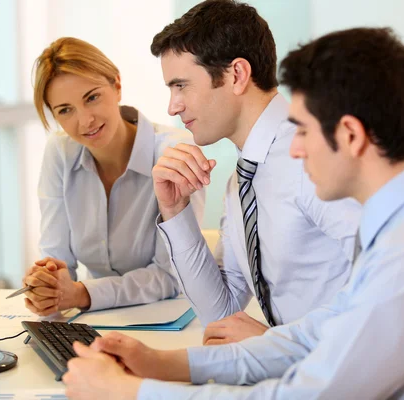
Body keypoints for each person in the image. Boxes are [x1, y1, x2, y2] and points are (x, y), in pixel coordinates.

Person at [61, 27, 404, 399]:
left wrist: (132, 393)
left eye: (305, 130)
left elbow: (305, 395)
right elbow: (320, 332)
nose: (295, 147)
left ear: (349, 136)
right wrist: (165, 363)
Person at [150, 0, 360, 344]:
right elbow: (221, 315)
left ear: (237, 75)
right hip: (298, 373)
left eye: (181, 85)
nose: (173, 106)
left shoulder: (313, 155)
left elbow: (390, 287)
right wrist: (175, 211)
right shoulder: (242, 179)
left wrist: (280, 343)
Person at [22, 37, 205, 316]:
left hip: (166, 317)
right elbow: (58, 259)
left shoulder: (173, 153)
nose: (85, 121)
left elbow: (170, 276)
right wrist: (47, 286)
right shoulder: (59, 153)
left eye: (92, 97)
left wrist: (82, 294)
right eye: (65, 110)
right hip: (96, 319)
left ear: (117, 85)